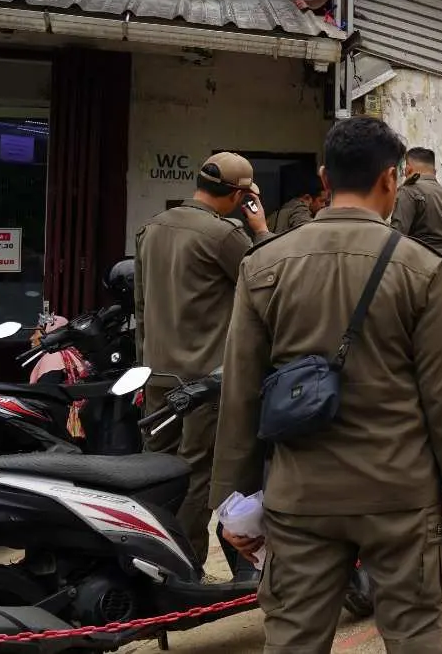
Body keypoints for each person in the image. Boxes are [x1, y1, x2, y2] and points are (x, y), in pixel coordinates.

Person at [212, 117, 442, 653]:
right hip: (400, 495)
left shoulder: (264, 265)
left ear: (323, 178)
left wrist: (232, 502)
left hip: (301, 495)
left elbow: (240, 393)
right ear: (389, 179)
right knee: (415, 637)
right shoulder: (421, 269)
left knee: (293, 640)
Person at [135, 152, 269, 574]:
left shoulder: (151, 229)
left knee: (154, 472)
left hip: (156, 373)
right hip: (201, 384)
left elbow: (139, 305)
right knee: (196, 476)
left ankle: (149, 559)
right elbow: (269, 283)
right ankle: (185, 567)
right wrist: (261, 230)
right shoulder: (223, 235)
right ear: (237, 195)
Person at [391, 147, 442, 293]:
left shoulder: (409, 192)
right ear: (434, 171)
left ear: (408, 170)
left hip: (422, 275)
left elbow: (395, 238)